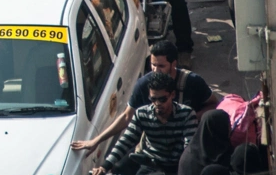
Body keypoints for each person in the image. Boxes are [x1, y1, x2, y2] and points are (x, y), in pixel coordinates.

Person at [72, 40, 216, 153]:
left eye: (161, 66)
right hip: (156, 148)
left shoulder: (192, 81)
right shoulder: (144, 84)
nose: (156, 70)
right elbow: (127, 117)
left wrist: (190, 118)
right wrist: (96, 141)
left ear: (174, 64)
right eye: (153, 65)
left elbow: (214, 104)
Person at [90, 72, 196, 175]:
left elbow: (189, 148)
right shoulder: (142, 114)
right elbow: (126, 141)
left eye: (162, 99)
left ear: (172, 95)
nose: (157, 103)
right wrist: (105, 166)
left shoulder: (187, 114)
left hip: (178, 168)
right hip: (150, 166)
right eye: (153, 99)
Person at [177, 110, 235, 175]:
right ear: (219, 128)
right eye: (228, 125)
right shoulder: (190, 158)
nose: (231, 128)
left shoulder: (224, 151)